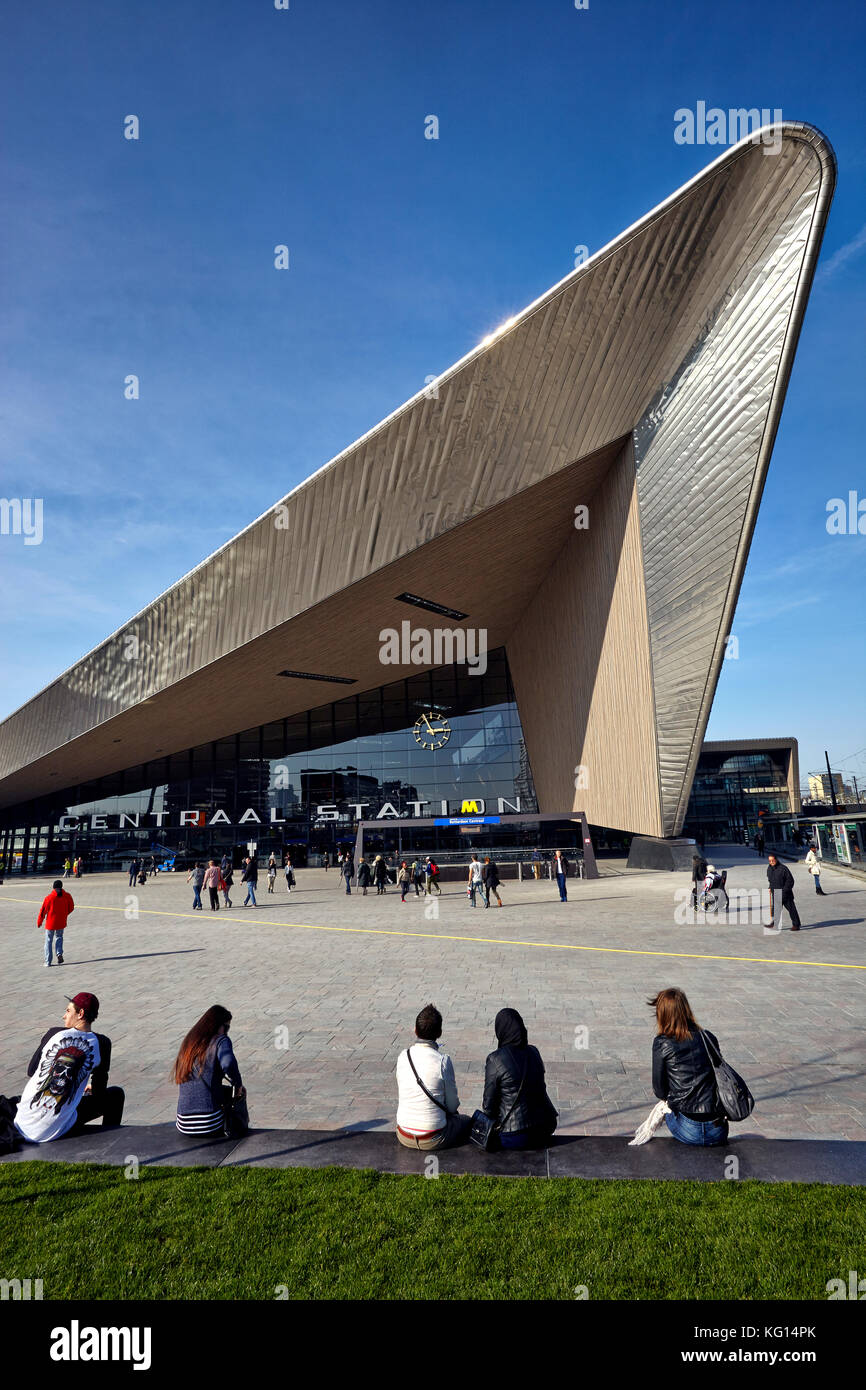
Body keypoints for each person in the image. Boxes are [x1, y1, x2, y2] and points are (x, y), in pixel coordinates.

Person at [14, 992, 124, 1142]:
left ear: (80, 1013)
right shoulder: (102, 1043)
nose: (64, 1016)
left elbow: (31, 1071)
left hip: (23, 1123)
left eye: (67, 1011)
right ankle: (110, 1143)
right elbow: (99, 1093)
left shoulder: (53, 1033)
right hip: (57, 1128)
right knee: (116, 1095)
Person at [648, 988, 729, 1146]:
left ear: (662, 1014)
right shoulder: (708, 1037)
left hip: (689, 1129)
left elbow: (659, 1091)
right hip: (718, 1129)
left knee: (663, 1110)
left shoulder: (662, 1043)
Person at [481, 1008, 557, 1150]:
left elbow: (488, 1106)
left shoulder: (495, 1059)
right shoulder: (534, 1051)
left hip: (515, 1135)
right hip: (545, 1127)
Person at [395, 1004, 468, 1150]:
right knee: (466, 1121)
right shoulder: (443, 1061)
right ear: (439, 1033)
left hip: (404, 1134)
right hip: (433, 1138)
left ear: (415, 1030)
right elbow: (453, 1106)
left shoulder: (403, 1056)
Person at [173, 1004, 245, 1137]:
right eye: (226, 1027)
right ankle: (240, 1128)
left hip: (183, 1123)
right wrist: (238, 1084)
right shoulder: (220, 1041)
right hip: (209, 1123)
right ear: (216, 1025)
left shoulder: (189, 1042)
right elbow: (228, 1063)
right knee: (239, 1094)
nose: (226, 1031)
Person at [38, 880, 74, 967]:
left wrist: (40, 921)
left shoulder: (49, 898)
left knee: (48, 941)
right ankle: (59, 953)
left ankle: (48, 961)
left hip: (51, 923)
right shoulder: (67, 896)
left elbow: (43, 911)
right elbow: (71, 907)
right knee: (59, 937)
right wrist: (65, 914)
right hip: (61, 922)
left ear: (53, 887)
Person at [767, 853, 801, 930]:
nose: (771, 862)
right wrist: (770, 887)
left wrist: (785, 890)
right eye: (770, 861)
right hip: (775, 892)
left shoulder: (783, 868)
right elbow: (770, 880)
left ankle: (796, 925)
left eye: (773, 860)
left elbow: (790, 881)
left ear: (776, 859)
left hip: (785, 893)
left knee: (791, 909)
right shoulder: (769, 869)